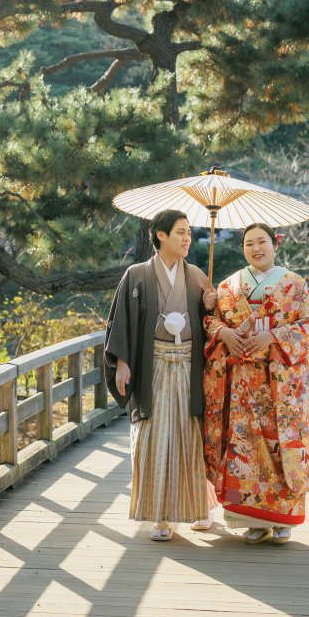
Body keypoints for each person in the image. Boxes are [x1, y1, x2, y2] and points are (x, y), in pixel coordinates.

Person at [202, 223, 309, 545]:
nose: (256, 248)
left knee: (280, 446)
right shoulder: (228, 286)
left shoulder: (294, 284)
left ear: (275, 245)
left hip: (280, 384)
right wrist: (221, 330)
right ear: (242, 249)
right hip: (241, 381)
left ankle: (284, 520)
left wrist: (273, 335)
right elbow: (212, 321)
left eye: (262, 242)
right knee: (245, 449)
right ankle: (252, 520)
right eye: (248, 244)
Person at [104, 210, 212, 541]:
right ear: (160, 235)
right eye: (180, 232)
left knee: (191, 439)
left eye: (190, 234)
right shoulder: (137, 275)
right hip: (152, 368)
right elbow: (119, 320)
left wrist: (210, 306)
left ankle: (198, 509)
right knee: (150, 440)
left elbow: (213, 324)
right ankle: (160, 517)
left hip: (189, 369)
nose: (187, 239)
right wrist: (122, 360)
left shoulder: (196, 276)